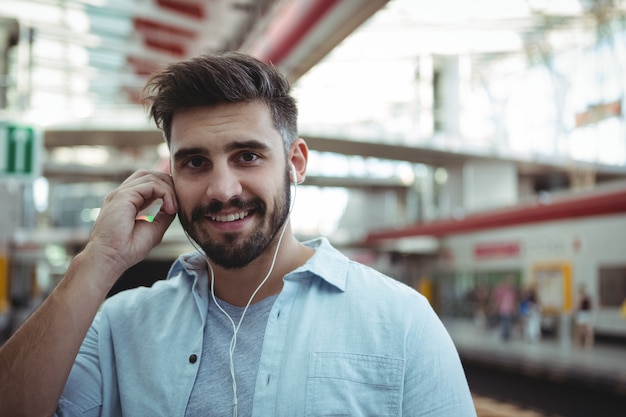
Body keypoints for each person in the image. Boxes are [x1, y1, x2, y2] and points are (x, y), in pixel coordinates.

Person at [0, 52, 476, 416]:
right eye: (195, 162)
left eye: (247, 156)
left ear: (296, 163)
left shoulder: (401, 322)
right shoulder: (118, 328)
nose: (223, 190)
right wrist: (98, 260)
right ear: (169, 176)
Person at [492, 275, 518, 342]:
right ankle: (505, 334)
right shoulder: (502, 290)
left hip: (509, 309)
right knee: (505, 322)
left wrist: (513, 307)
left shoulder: (512, 291)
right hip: (503, 309)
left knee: (508, 322)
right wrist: (496, 306)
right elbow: (498, 298)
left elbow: (513, 301)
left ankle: (506, 334)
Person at [574, 284, 594, 349]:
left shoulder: (582, 297)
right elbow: (590, 306)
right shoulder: (588, 297)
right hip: (587, 314)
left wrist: (576, 310)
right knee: (587, 330)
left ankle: (578, 342)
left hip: (582, 314)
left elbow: (579, 306)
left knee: (579, 330)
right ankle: (588, 343)